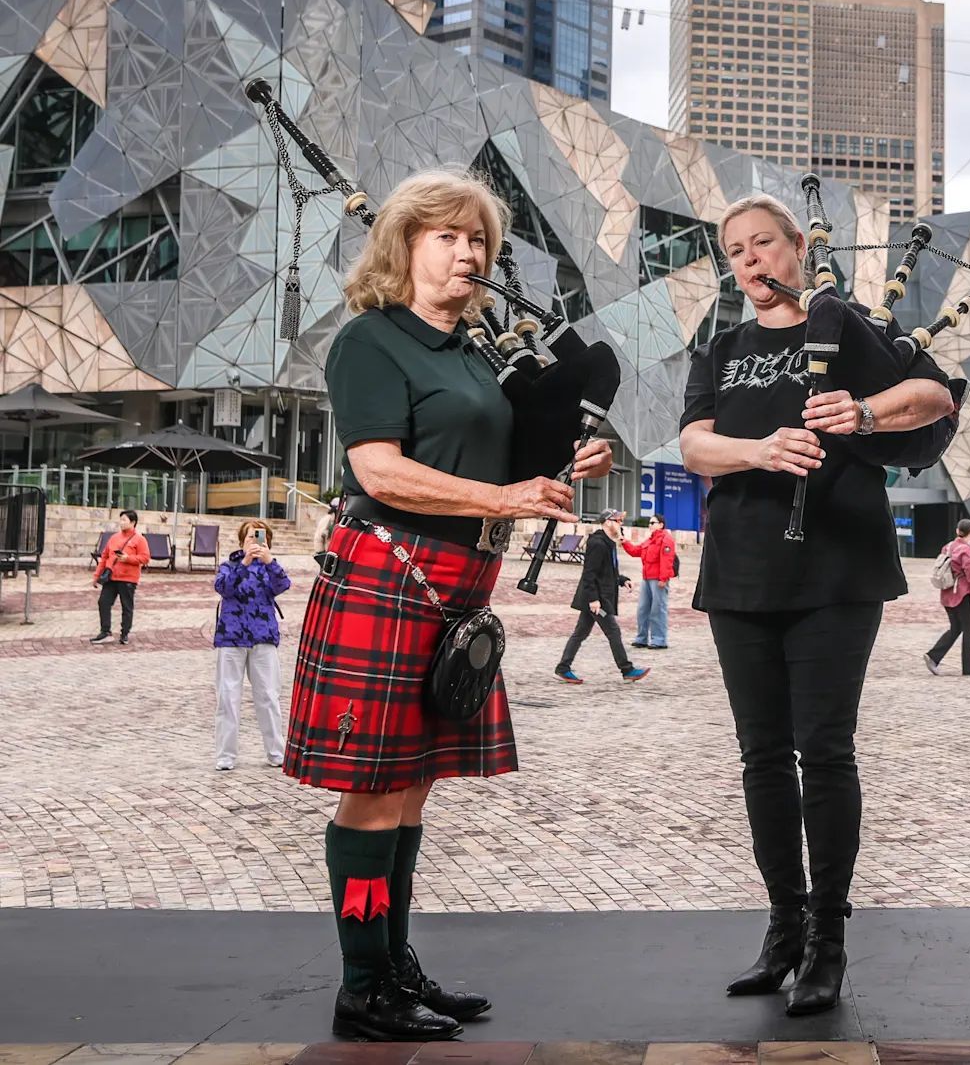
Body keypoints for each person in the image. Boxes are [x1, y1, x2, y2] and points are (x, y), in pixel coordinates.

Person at [280, 167, 612, 1041]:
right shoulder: (371, 341)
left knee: (414, 786)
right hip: (389, 573)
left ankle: (393, 962)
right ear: (403, 245)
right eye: (448, 237)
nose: (468, 254)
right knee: (373, 790)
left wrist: (564, 465)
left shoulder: (472, 352)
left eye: (480, 242)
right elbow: (376, 469)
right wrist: (503, 502)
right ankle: (362, 986)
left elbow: (495, 463)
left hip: (457, 587)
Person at [680, 192, 955, 1016]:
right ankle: (784, 928)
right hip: (741, 572)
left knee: (824, 751)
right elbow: (694, 442)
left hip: (837, 568)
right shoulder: (721, 347)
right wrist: (760, 449)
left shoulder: (843, 325)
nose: (752, 261)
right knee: (760, 755)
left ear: (797, 246)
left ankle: (829, 938)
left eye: (764, 243)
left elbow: (935, 397)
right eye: (736, 251)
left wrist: (864, 411)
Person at [214, 519, 291, 771]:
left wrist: (268, 560)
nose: (255, 542)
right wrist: (245, 562)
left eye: (260, 538)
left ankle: (276, 752)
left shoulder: (270, 568)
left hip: (263, 638)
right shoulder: (229, 565)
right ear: (241, 541)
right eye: (250, 537)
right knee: (228, 697)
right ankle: (225, 755)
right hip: (231, 637)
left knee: (268, 696)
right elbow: (223, 588)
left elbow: (283, 584)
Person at [556, 509, 649, 684]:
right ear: (607, 522)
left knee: (580, 633)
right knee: (613, 631)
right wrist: (593, 599)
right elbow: (589, 574)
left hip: (597, 600)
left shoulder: (609, 543)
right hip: (597, 602)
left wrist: (622, 580)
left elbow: (606, 572)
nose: (620, 523)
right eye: (617, 520)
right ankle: (627, 669)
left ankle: (563, 667)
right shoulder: (598, 543)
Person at [924, 518, 970, 676]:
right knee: (969, 630)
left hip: (947, 594)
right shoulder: (967, 550)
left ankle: (933, 657)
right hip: (963, 594)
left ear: (958, 531)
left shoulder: (948, 547)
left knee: (956, 628)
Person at [90, 509, 150, 645]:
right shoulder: (114, 538)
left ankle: (124, 633)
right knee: (103, 602)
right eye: (120, 519)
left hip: (128, 579)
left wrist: (128, 558)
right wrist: (97, 575)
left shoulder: (139, 539)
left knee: (126, 606)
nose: (121, 523)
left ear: (133, 522)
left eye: (124, 520)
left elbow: (145, 558)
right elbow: (105, 556)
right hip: (111, 577)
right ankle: (105, 631)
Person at [622, 513, 676, 650]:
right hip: (647, 579)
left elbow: (667, 560)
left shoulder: (666, 539)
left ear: (661, 525)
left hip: (658, 579)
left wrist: (664, 578)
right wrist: (624, 542)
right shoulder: (650, 540)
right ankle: (642, 638)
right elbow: (636, 551)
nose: (650, 525)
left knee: (658, 609)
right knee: (643, 609)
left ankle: (659, 639)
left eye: (653, 523)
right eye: (650, 523)